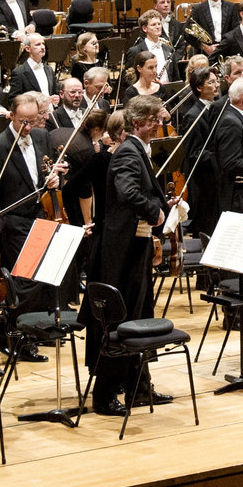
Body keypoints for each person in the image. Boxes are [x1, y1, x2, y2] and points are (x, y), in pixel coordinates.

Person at [88, 99, 171, 417]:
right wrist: (155, 211)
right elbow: (126, 191)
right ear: (138, 122)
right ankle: (105, 395)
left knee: (141, 317)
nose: (159, 122)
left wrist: (160, 203)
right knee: (124, 322)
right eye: (153, 119)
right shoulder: (127, 151)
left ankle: (138, 387)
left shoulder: (137, 149)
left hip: (135, 248)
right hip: (122, 253)